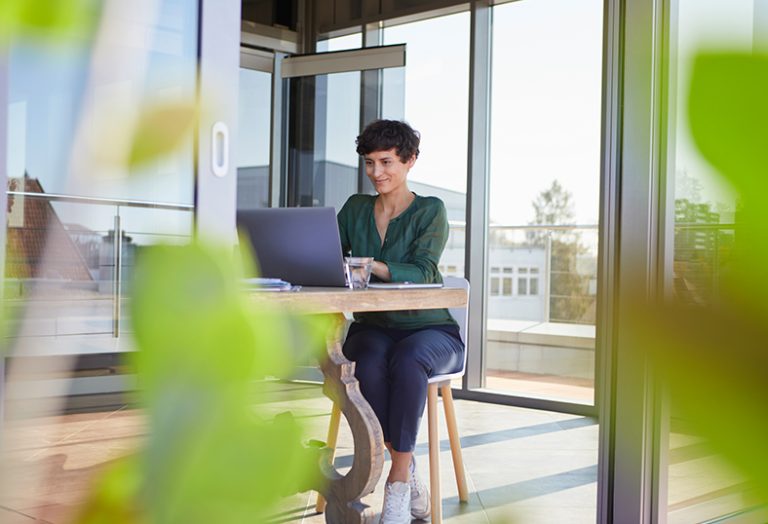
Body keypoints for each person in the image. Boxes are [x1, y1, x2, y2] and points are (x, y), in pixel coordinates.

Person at [337, 120, 465, 523]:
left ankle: (396, 484)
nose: (377, 173)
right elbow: (330, 258)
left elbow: (426, 271)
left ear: (410, 161)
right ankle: (406, 468)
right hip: (375, 327)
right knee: (366, 362)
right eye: (370, 163)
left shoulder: (430, 210)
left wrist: (369, 264)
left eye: (387, 161)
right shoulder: (355, 208)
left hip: (429, 330)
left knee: (408, 360)